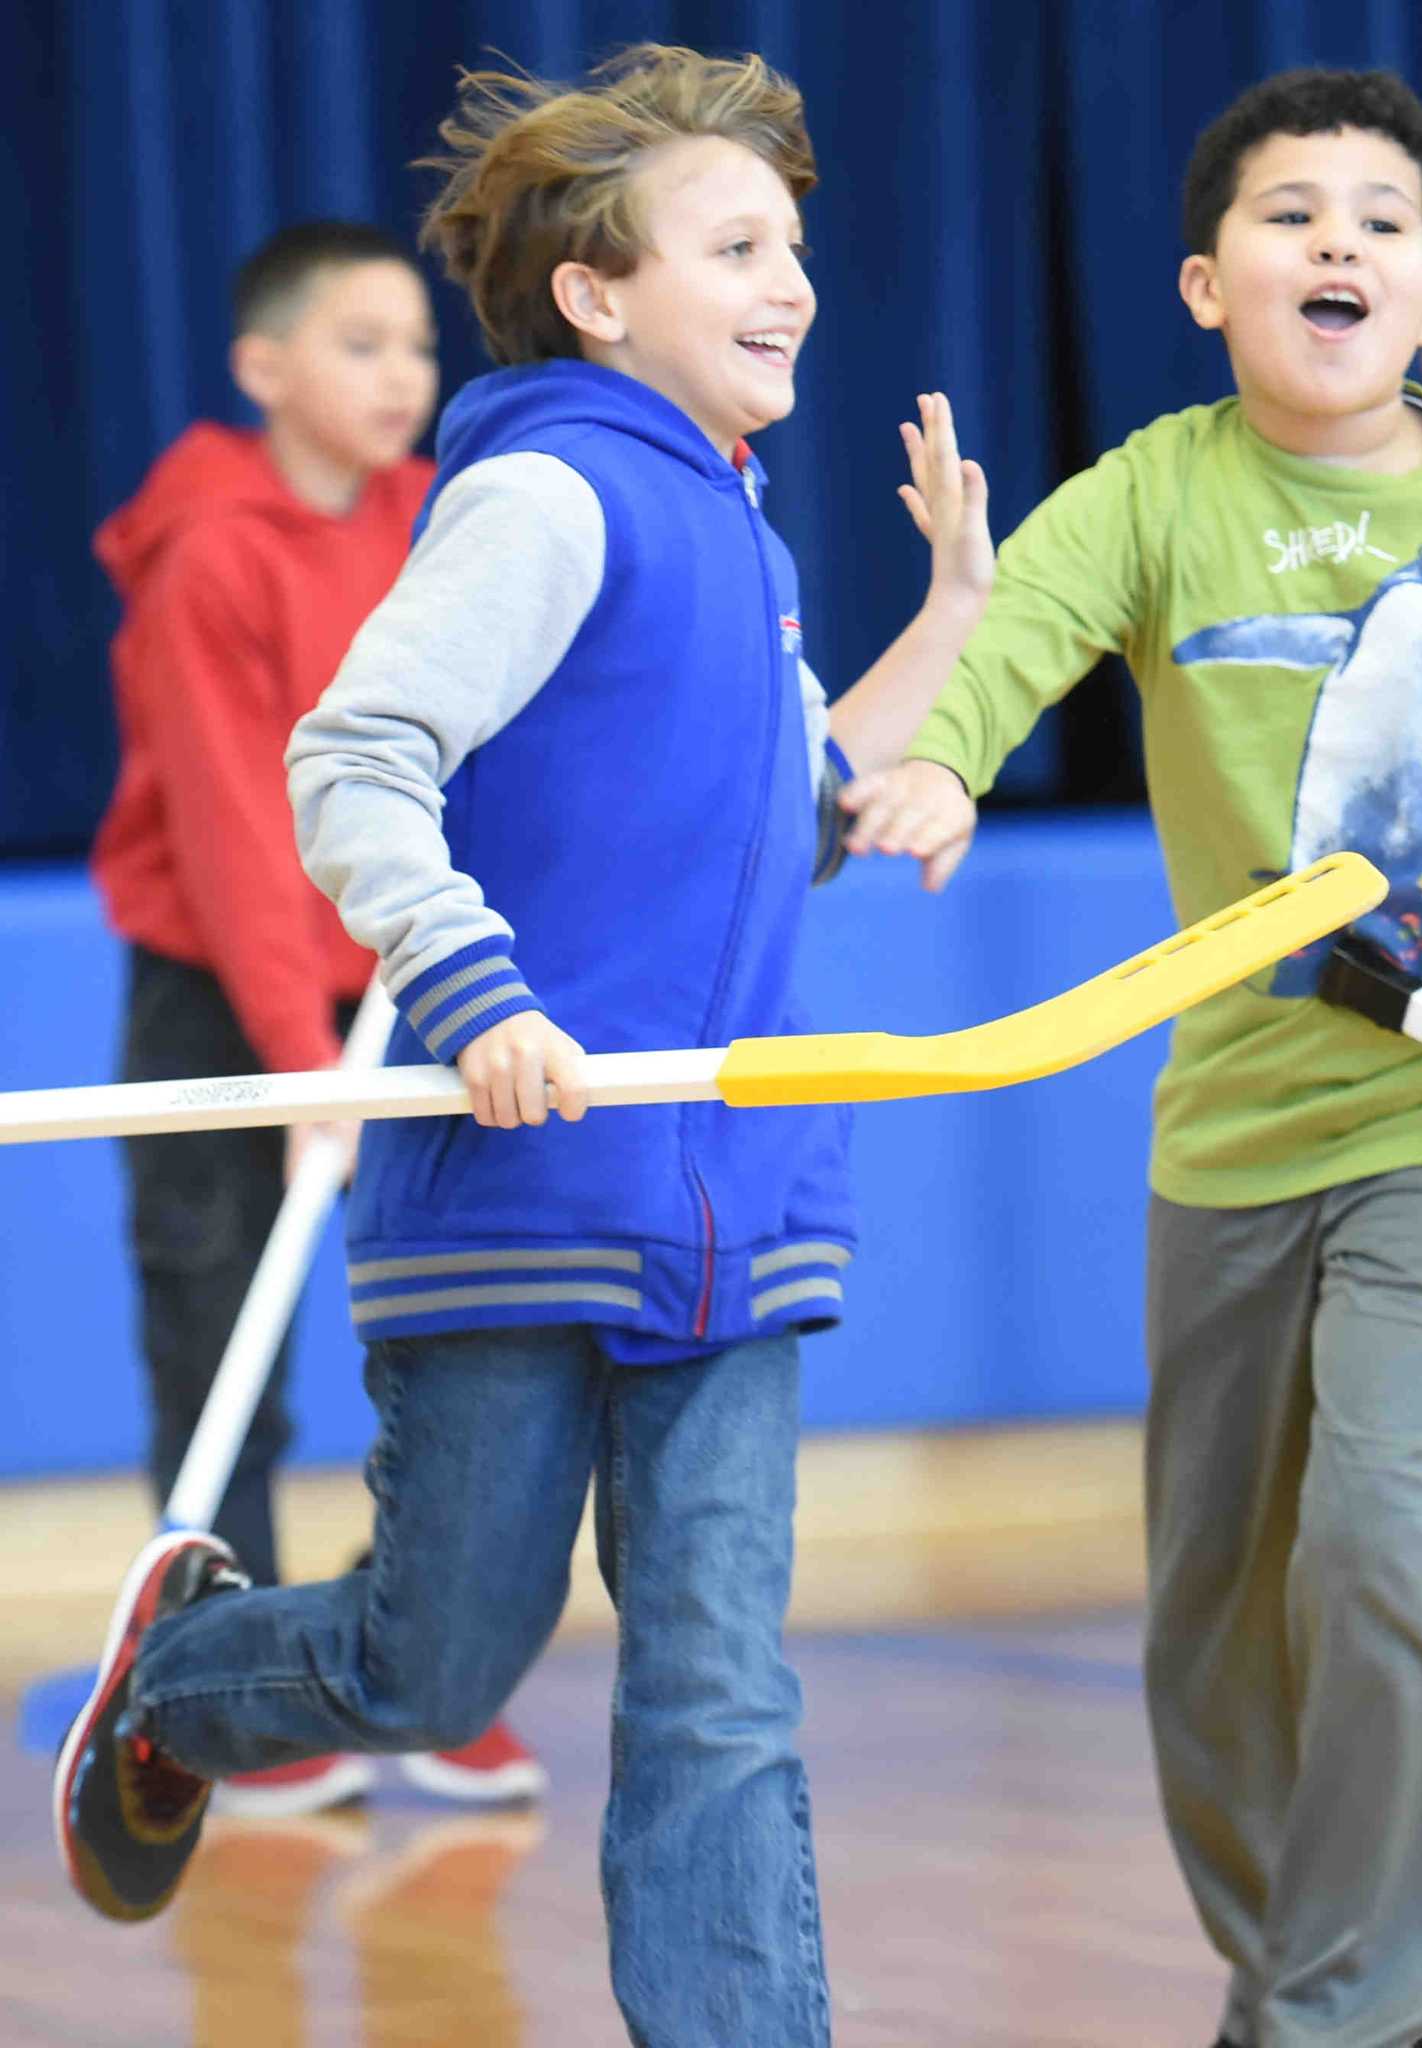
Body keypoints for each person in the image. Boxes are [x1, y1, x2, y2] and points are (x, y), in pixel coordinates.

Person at [55, 42, 994, 2046]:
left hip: (734, 1206)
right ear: (596, 291)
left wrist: (949, 637)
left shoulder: (748, 539)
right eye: (737, 241)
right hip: (526, 1186)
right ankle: (181, 1686)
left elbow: (784, 806)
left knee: (718, 1685)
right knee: (435, 1659)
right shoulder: (555, 491)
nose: (795, 279)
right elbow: (359, 754)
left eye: (796, 242)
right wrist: (476, 988)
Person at [840, 66, 1422, 2048]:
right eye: (1291, 215)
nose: (1339, 240)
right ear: (1203, 284)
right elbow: (1024, 628)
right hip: (1239, 1135)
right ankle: (1331, 1945)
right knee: (1214, 1633)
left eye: (1382, 219)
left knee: (1380, 1533)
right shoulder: (1162, 489)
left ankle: (1343, 2004)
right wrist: (939, 757)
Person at [89, 219, 543, 1815]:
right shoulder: (209, 548)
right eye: (359, 345)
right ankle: (216, 1699)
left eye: (418, 346)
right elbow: (228, 822)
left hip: (406, 983)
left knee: (464, 1336)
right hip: (225, 992)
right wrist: (297, 1068)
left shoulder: (445, 525)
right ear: (263, 369)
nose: (404, 376)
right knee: (224, 1343)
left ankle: (412, 1664)